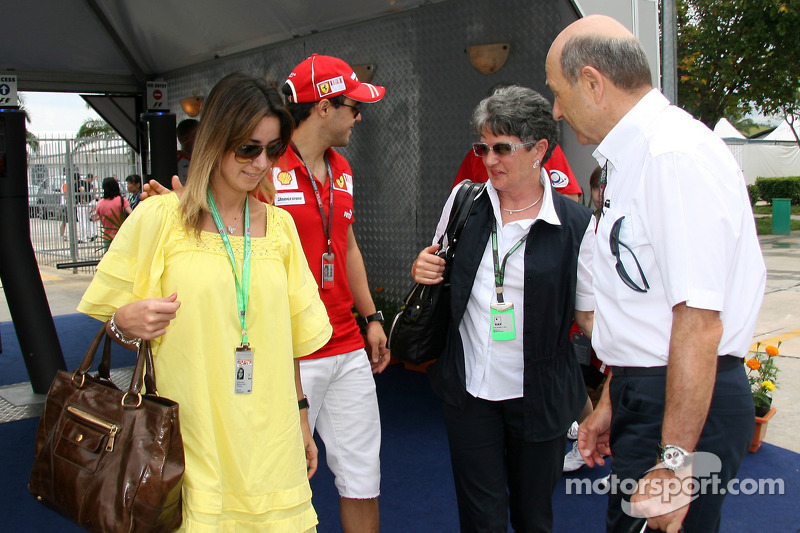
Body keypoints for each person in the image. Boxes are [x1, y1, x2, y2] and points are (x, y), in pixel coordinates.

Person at [77, 72, 332, 532]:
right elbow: (110, 324)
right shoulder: (160, 218)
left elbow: (290, 336)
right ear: (216, 138)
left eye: (272, 150)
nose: (260, 164)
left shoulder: (280, 229)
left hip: (269, 440)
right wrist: (124, 322)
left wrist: (300, 415)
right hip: (189, 437)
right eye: (247, 148)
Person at [546, 15, 766, 533]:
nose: (556, 109)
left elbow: (699, 320)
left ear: (593, 83)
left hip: (686, 405)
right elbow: (642, 302)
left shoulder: (673, 156)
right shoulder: (635, 160)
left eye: (558, 92)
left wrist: (673, 464)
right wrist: (611, 403)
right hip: (654, 394)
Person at [411, 85, 595, 532]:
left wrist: (625, 382)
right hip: (470, 393)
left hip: (540, 399)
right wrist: (423, 267)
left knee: (534, 518)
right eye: (483, 147)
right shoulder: (464, 203)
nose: (489, 159)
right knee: (481, 520)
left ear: (540, 150)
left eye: (502, 148)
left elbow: (590, 316)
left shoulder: (575, 226)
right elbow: (438, 264)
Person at [269, 53, 390, 533]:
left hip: (345, 343)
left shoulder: (341, 168)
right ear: (322, 107)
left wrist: (373, 316)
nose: (359, 117)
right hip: (289, 351)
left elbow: (348, 247)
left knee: (363, 477)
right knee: (285, 476)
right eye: (353, 107)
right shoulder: (264, 167)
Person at [94, 177, 132, 250]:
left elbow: (102, 221)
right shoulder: (121, 200)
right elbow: (132, 214)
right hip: (121, 235)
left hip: (107, 236)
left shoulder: (99, 204)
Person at [177, 118, 198, 185]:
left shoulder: (206, 160)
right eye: (195, 135)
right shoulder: (173, 161)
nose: (199, 140)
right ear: (183, 139)